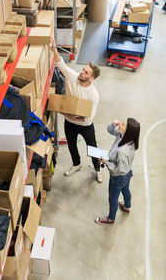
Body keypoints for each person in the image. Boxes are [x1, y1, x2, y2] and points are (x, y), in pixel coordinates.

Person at [49, 37, 103, 183]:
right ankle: (76, 164)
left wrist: (68, 114)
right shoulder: (72, 76)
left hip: (85, 126)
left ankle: (98, 169)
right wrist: (54, 49)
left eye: (85, 73)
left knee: (93, 147)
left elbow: (88, 119)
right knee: (72, 145)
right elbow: (61, 63)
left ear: (91, 78)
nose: (81, 73)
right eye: (83, 70)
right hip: (69, 123)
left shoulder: (93, 95)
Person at [95, 118, 140, 225]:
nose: (120, 124)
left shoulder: (122, 151)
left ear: (127, 131)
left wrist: (106, 162)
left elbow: (119, 170)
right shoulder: (126, 136)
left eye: (123, 124)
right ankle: (127, 206)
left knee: (113, 199)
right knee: (125, 190)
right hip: (128, 173)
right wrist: (112, 124)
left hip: (118, 177)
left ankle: (110, 219)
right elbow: (110, 130)